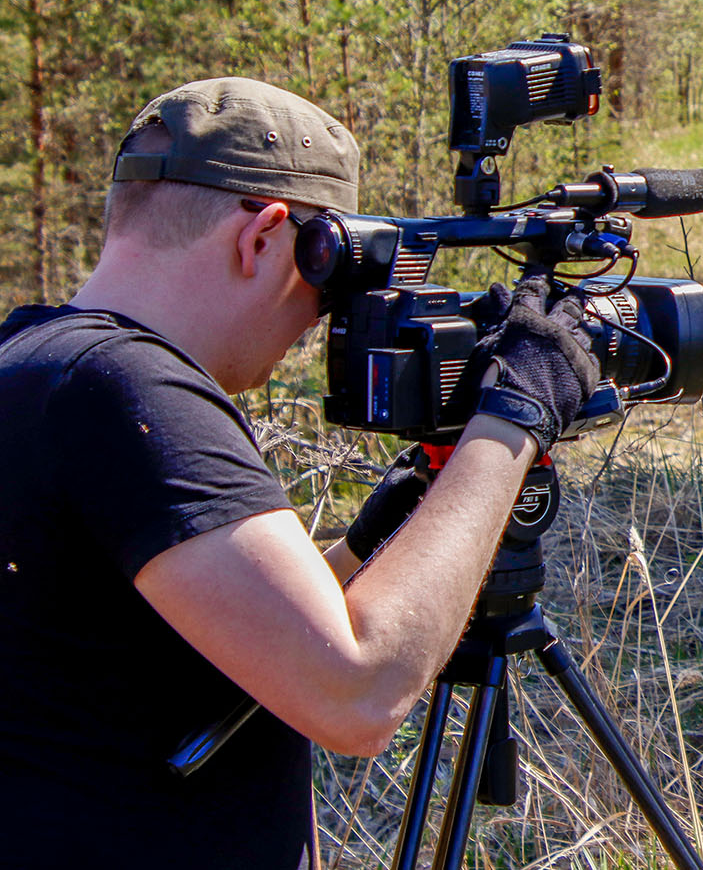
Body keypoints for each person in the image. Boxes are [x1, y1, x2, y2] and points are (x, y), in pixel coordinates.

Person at [0, 78, 596, 869]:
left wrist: (387, 527)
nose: (319, 324)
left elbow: (214, 630)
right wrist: (518, 410)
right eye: (325, 290)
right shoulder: (130, 390)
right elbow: (358, 694)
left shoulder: (33, 365)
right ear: (264, 236)